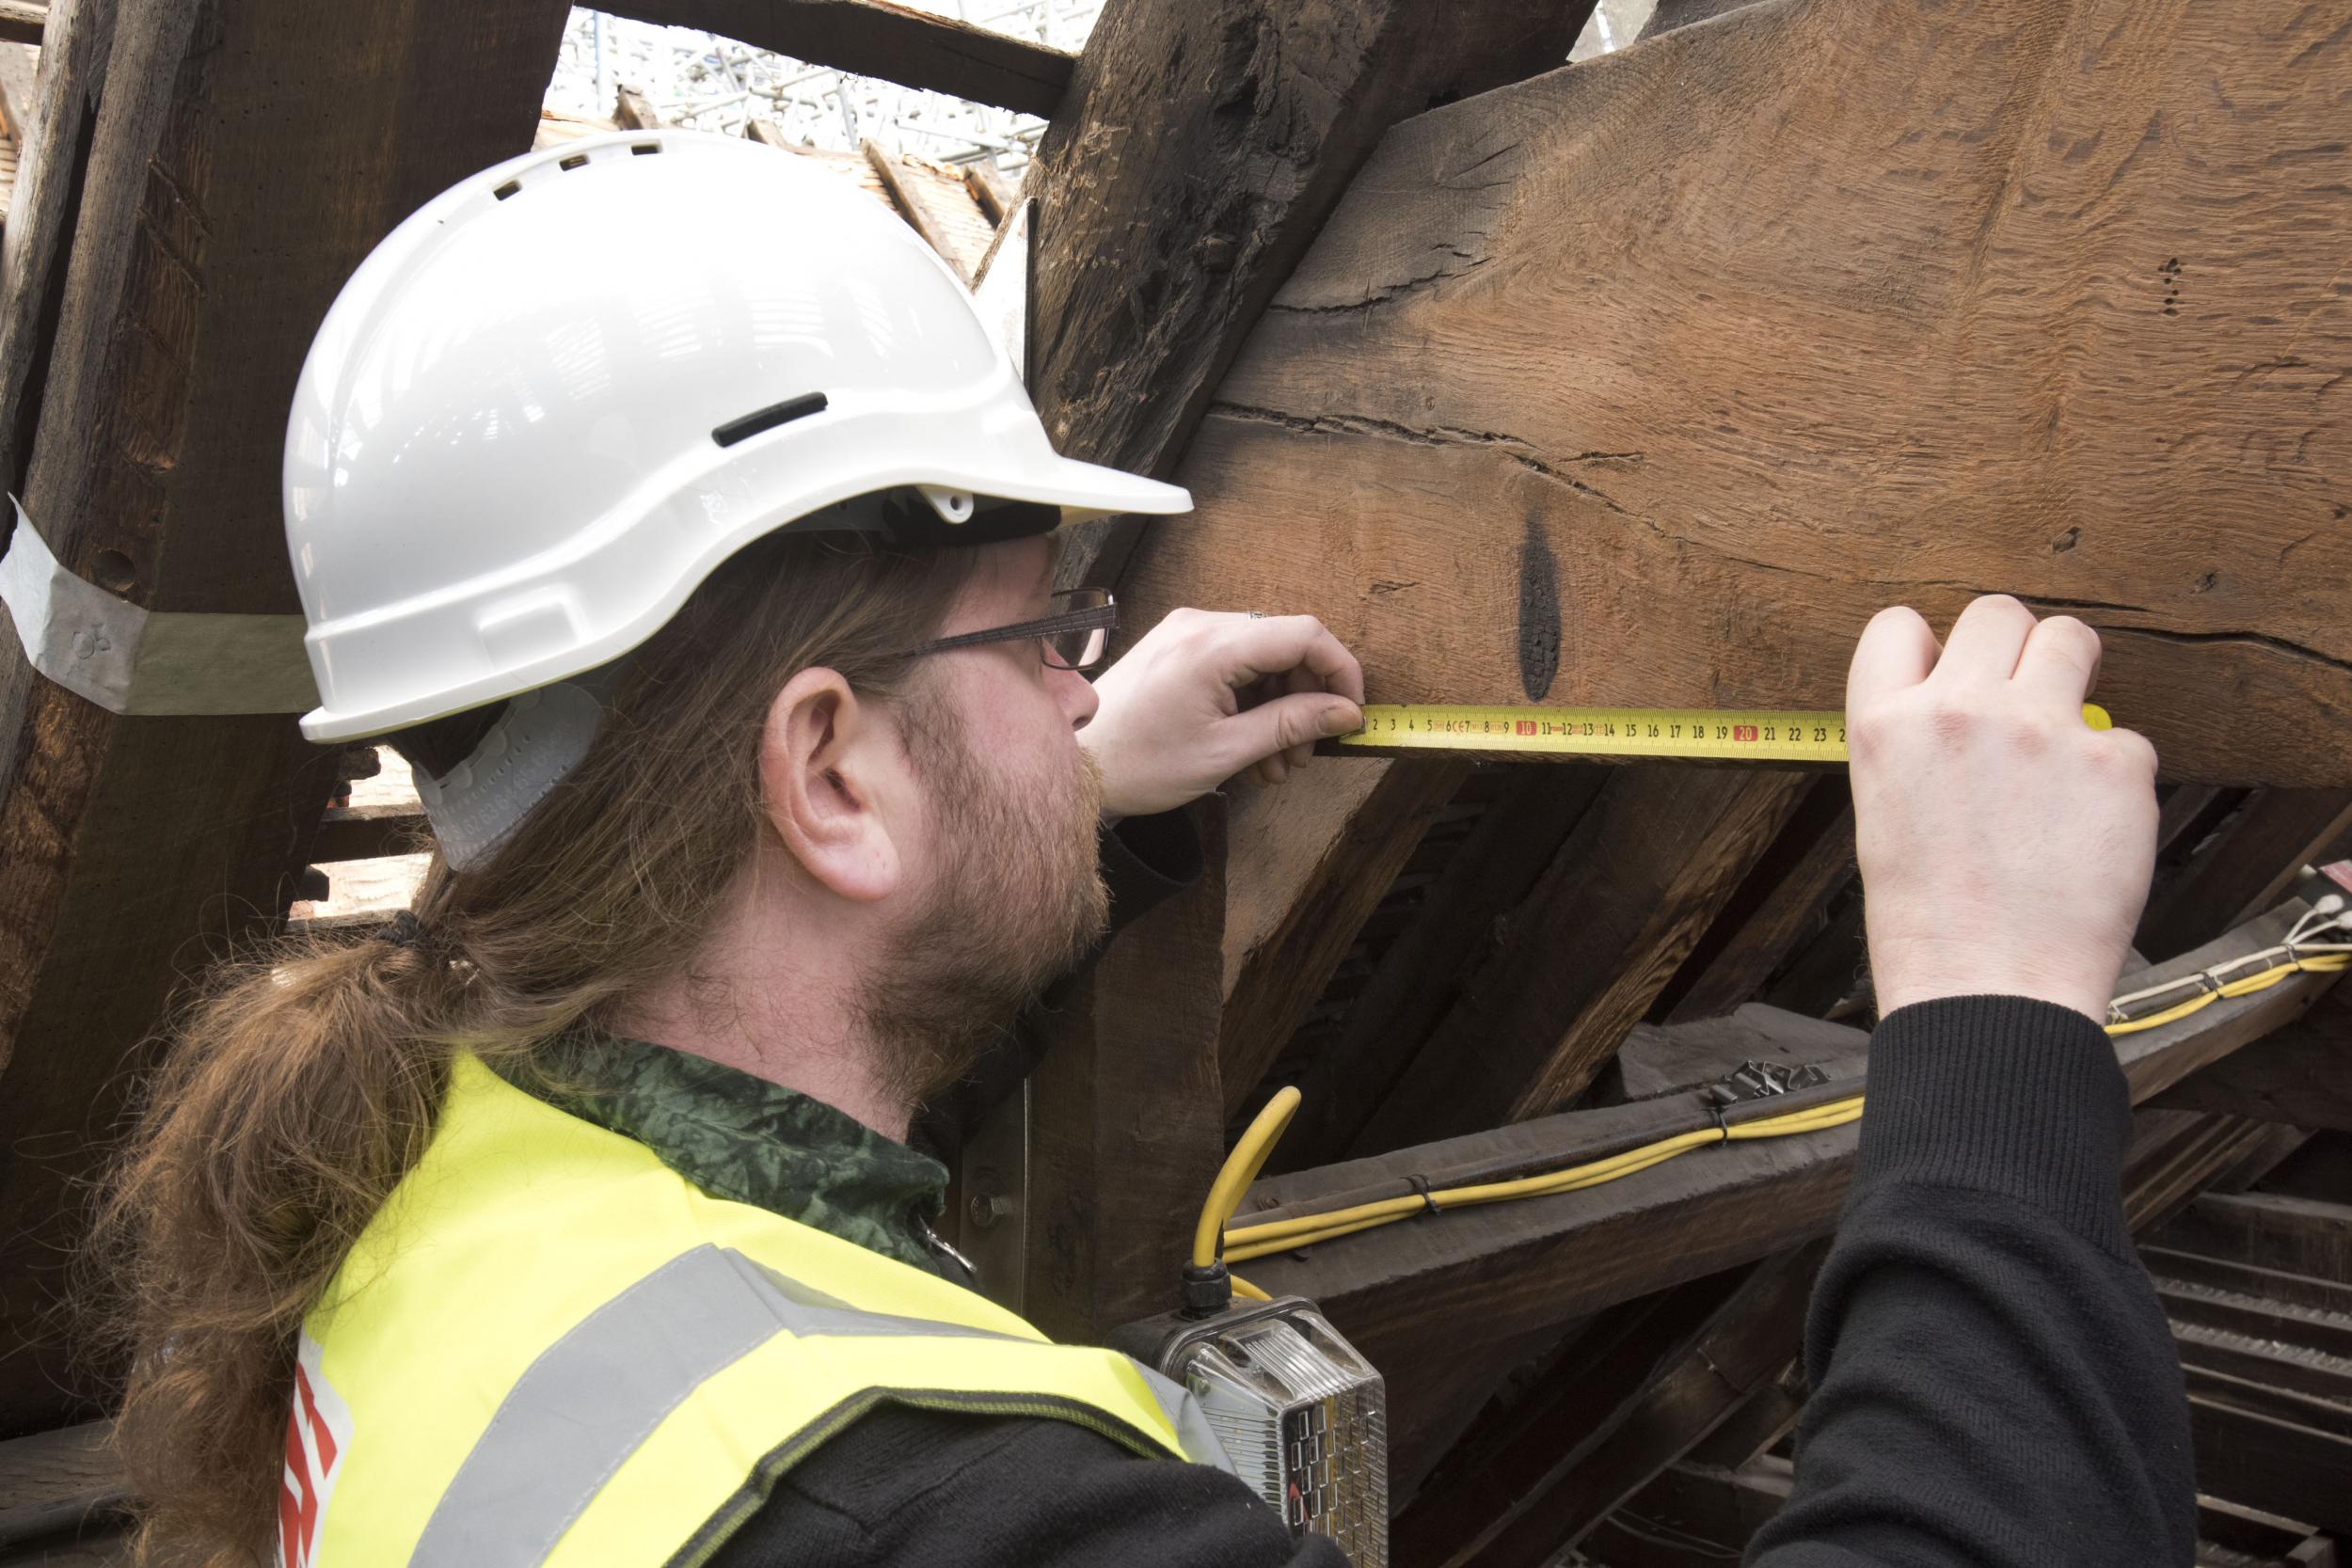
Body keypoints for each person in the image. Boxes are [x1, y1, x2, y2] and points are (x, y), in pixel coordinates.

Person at [90, 128, 2189, 1568]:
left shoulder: (430, 1175)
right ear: (826, 778)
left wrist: (1042, 791)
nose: (1089, 686)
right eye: (1042, 640)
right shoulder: (944, 1517)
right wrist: (1991, 1026)